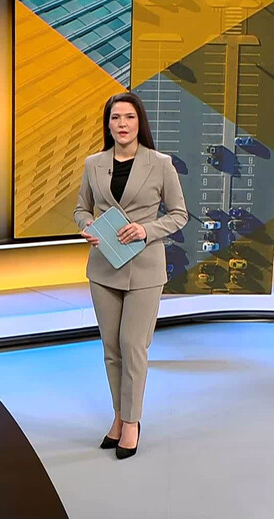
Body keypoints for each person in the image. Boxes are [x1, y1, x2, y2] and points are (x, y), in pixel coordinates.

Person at [74, 92, 188, 460]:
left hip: (144, 270)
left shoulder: (161, 164)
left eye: (129, 117)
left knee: (132, 346)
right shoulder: (93, 164)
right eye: (115, 118)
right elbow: (80, 209)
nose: (122, 124)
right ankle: (119, 416)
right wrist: (86, 225)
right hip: (103, 268)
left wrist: (146, 230)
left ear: (140, 123)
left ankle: (132, 422)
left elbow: (179, 214)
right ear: (108, 125)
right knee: (111, 350)